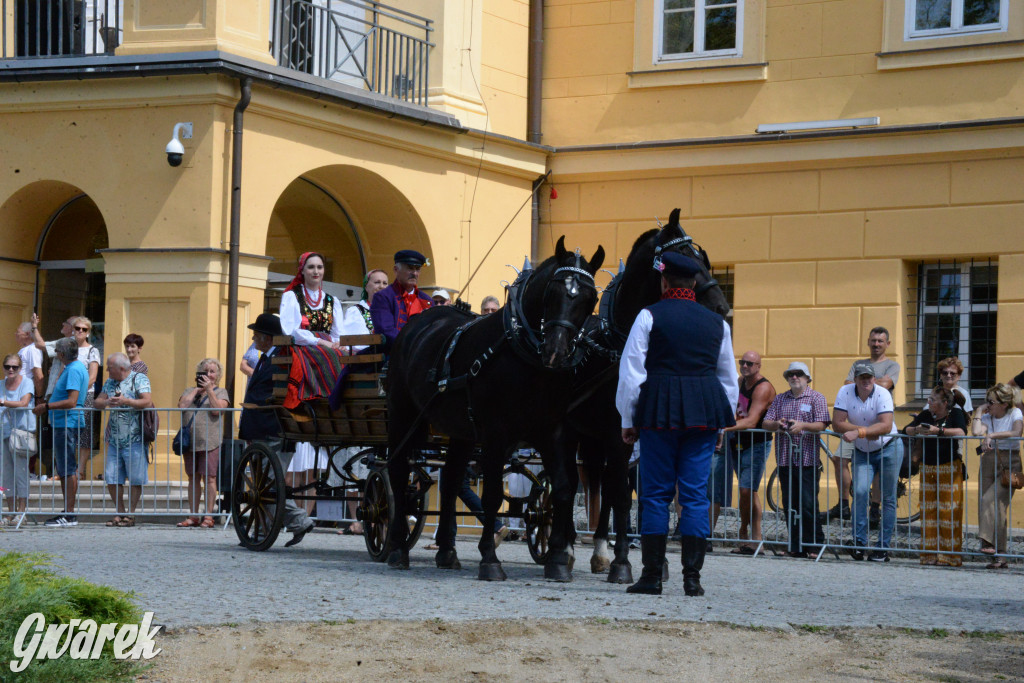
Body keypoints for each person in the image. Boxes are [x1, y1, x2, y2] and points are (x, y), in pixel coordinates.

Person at [616, 252, 738, 596]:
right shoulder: (718, 323)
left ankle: (652, 576)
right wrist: (721, 426)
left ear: (664, 281)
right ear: (695, 283)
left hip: (659, 411)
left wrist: (628, 417)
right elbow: (728, 379)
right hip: (704, 414)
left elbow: (632, 372)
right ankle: (692, 580)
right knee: (695, 496)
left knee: (655, 494)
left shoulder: (648, 315)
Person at [237, 313, 315, 547]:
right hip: (261, 429)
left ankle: (290, 523)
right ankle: (269, 529)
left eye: (256, 335)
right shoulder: (267, 358)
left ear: (268, 338)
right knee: (267, 484)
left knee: (269, 485)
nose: (253, 338)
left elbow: (274, 395)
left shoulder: (279, 359)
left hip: (273, 429)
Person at [279, 252, 343, 513]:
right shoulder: (292, 296)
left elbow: (338, 333)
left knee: (344, 359)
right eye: (311, 267)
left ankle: (337, 402)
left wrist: (335, 343)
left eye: (320, 267)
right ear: (302, 270)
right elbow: (290, 330)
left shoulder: (332, 300)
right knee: (328, 357)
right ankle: (322, 398)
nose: (316, 271)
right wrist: (319, 341)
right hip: (303, 346)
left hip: (328, 346)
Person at [826, 327, 901, 525]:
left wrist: (861, 382)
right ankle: (843, 504)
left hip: (877, 426)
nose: (876, 344)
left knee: (876, 466)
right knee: (838, 458)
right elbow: (847, 384)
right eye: (873, 340)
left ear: (887, 344)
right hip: (852, 426)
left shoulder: (892, 365)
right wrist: (866, 383)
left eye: (880, 341)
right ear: (868, 341)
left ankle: (874, 507)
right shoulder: (858, 363)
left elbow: (885, 385)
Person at [832, 361, 903, 562]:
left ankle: (882, 547)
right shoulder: (845, 392)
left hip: (889, 447)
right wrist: (866, 432)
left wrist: (859, 432)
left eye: (869, 377)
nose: (866, 381)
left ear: (874, 378)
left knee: (888, 497)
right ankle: (859, 543)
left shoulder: (883, 393)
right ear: (855, 379)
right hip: (863, 451)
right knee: (860, 492)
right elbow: (837, 423)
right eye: (862, 377)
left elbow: (886, 426)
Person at [762, 362, 830, 558]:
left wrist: (803, 426)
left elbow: (822, 424)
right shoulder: (780, 398)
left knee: (808, 504)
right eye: (790, 374)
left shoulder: (816, 397)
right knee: (790, 504)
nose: (794, 377)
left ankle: (814, 545)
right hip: (785, 459)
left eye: (798, 374)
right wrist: (777, 424)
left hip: (808, 459)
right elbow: (766, 423)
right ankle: (795, 545)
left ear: (807, 378)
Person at [904, 385, 967, 567]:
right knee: (928, 511)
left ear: (944, 403)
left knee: (949, 511)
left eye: (932, 399)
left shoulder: (955, 414)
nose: (929, 401)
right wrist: (918, 430)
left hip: (949, 467)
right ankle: (929, 555)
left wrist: (938, 431)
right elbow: (906, 429)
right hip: (928, 468)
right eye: (929, 398)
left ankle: (950, 556)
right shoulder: (926, 414)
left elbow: (961, 432)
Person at [721, 350, 775, 554]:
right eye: (742, 362)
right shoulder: (740, 382)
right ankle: (754, 540)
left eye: (750, 363)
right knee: (749, 491)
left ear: (758, 366)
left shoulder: (763, 388)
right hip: (739, 441)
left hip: (757, 443)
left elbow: (752, 421)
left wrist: (723, 427)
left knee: (746, 489)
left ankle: (748, 534)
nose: (745, 366)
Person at [33, 337, 88, 527]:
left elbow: (72, 401)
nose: (56, 355)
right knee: (65, 467)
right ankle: (67, 511)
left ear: (62, 354)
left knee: (67, 468)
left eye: (57, 352)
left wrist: (46, 406)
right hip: (64, 422)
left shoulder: (73, 370)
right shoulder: (73, 368)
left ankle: (69, 513)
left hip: (67, 422)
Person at [94, 353, 153, 527]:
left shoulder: (139, 379)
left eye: (109, 367)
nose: (106, 370)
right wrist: (107, 403)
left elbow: (147, 402)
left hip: (135, 438)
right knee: (112, 477)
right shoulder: (110, 382)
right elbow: (97, 402)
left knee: (135, 478)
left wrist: (125, 401)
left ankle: (131, 514)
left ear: (121, 368)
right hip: (114, 439)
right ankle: (120, 512)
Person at [971, 383, 1023, 569]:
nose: (988, 404)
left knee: (990, 500)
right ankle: (1000, 556)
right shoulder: (987, 416)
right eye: (987, 401)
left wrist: (992, 436)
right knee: (995, 508)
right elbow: (976, 431)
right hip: (988, 461)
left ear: (1004, 404)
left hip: (1009, 462)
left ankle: (987, 541)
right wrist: (979, 411)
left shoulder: (1015, 413)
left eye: (991, 402)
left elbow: (1017, 432)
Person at [176, 358, 230, 529]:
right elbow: (182, 406)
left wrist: (209, 390)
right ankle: (193, 515)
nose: (208, 374)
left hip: (210, 441)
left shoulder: (221, 392)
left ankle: (208, 515)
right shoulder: (189, 390)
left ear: (217, 375)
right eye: (205, 371)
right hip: (190, 442)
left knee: (210, 478)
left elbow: (217, 410)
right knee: (193, 477)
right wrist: (197, 390)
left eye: (212, 371)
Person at [370, 249, 433, 349]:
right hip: (392, 352)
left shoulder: (427, 300)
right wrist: (415, 344)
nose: (415, 273)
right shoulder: (383, 297)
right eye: (410, 268)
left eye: (417, 269)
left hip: (422, 353)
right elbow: (386, 331)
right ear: (396, 270)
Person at [1, 353, 35, 525]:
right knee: (6, 474)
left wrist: (4, 403)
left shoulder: (27, 382)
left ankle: (22, 512)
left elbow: (24, 403)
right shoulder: (1, 384)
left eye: (15, 367)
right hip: (4, 433)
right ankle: (11, 511)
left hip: (21, 433)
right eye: (8, 367)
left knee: (21, 473)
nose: (11, 370)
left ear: (20, 368)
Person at [16, 323, 43, 398]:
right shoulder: (24, 349)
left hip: (23, 392)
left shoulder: (33, 349)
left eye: (18, 332)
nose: (16, 334)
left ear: (27, 334)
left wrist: (39, 397)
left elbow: (38, 375)